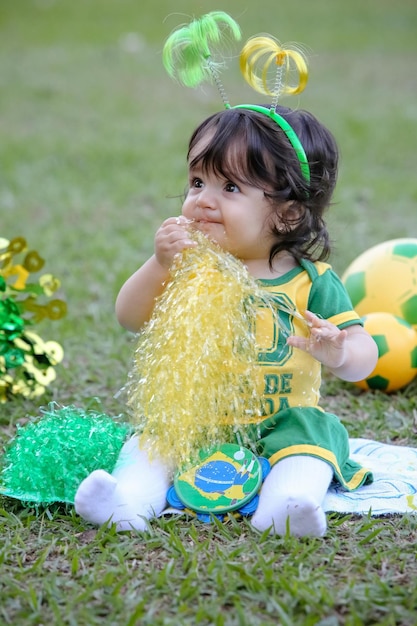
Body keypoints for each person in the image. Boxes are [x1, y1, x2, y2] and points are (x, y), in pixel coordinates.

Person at [75, 103, 378, 536]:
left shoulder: (313, 283)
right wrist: (160, 264)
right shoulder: (192, 265)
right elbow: (129, 317)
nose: (202, 199)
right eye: (197, 181)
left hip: (283, 421)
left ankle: (288, 505)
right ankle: (128, 500)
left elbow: (365, 356)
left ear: (287, 213)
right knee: (153, 442)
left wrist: (341, 351)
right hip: (198, 418)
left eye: (230, 187)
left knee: (310, 449)